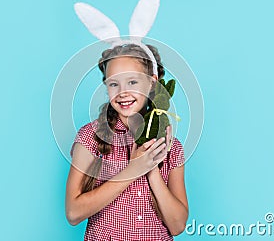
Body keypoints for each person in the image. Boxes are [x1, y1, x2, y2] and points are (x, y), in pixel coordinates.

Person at [65, 43, 188, 241]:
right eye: (114, 84)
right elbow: (73, 213)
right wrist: (132, 170)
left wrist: (151, 168)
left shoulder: (172, 146)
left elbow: (178, 225)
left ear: (152, 83)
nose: (123, 92)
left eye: (132, 82)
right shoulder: (90, 137)